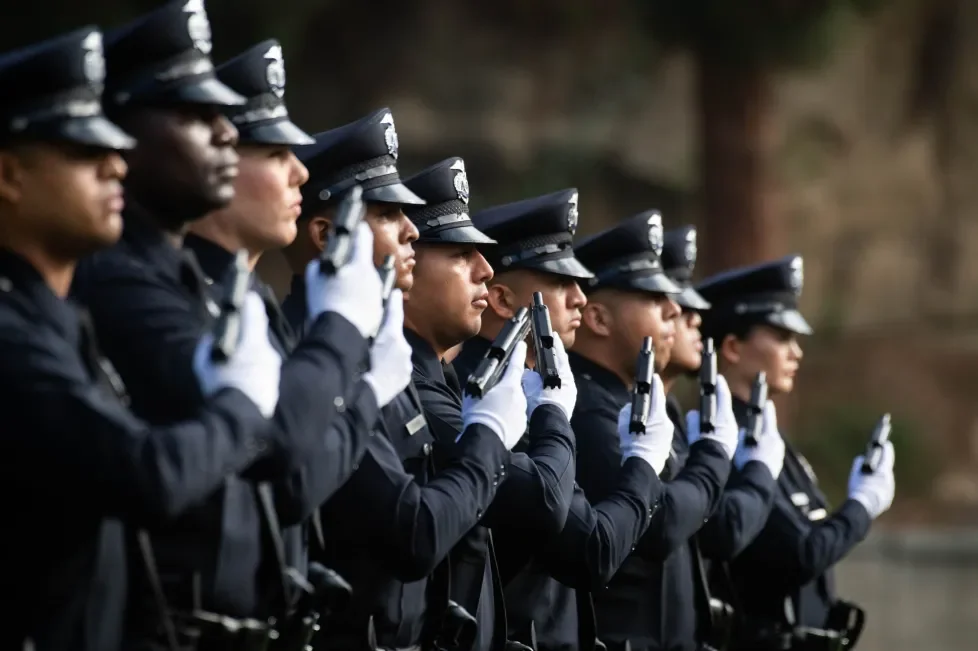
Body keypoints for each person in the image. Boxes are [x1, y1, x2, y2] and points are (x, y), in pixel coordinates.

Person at [70, 1, 383, 643]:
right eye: (197, 116)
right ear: (124, 136)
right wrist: (345, 330)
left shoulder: (191, 285)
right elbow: (280, 449)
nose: (223, 136)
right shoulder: (120, 284)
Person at [0, 26, 286, 651]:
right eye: (82, 152)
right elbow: (148, 476)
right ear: (10, 175)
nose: (115, 164)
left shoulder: (59, 319)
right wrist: (243, 402)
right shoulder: (13, 338)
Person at [280, 128, 528, 651]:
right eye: (389, 216)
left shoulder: (375, 352)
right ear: (326, 235)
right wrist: (489, 437)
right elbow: (414, 531)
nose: (412, 231)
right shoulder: (317, 354)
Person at [456, 189, 674, 651]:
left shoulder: (534, 387)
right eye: (560, 282)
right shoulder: (479, 392)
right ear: (500, 298)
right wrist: (643, 466)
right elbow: (590, 549)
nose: (579, 297)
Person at [403, 159, 579, 651]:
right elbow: (553, 510)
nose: (484, 268)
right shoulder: (417, 391)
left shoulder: (450, 381)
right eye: (461, 254)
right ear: (404, 266)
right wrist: (553, 413)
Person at [696, 256, 896, 651]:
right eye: (782, 337)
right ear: (733, 347)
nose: (796, 353)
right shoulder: (724, 439)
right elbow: (799, 554)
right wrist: (862, 504)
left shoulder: (771, 438)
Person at [569, 211, 740, 651]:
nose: (675, 309)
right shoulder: (586, 411)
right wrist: (714, 456)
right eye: (651, 295)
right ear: (598, 318)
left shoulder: (625, 403)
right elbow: (658, 524)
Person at [655, 226, 785, 651]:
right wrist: (760, 470)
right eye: (671, 307)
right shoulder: (623, 414)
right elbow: (723, 528)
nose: (694, 320)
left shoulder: (672, 413)